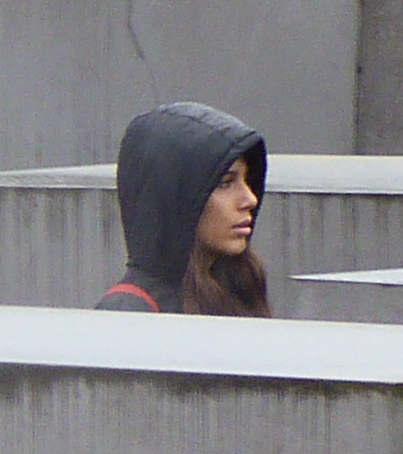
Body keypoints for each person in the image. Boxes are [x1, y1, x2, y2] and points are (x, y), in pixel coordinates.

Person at [96, 102, 273, 316]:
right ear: (175, 198)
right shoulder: (129, 311)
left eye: (247, 180)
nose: (250, 199)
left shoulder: (235, 291)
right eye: (225, 183)